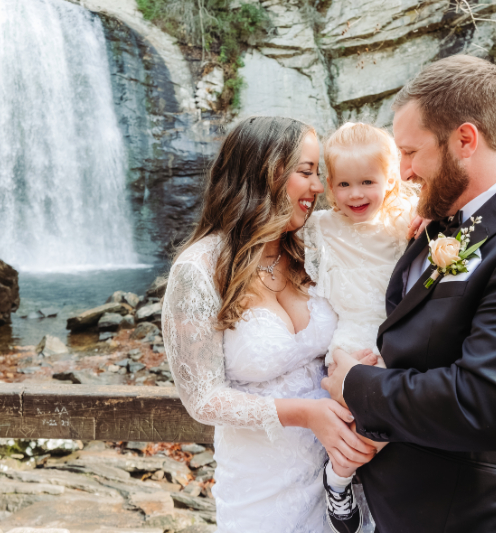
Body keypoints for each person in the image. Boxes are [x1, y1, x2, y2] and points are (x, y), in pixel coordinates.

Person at [322, 54, 496, 533]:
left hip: (472, 518)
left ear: (465, 140)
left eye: (412, 153)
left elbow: (485, 405)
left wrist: (355, 385)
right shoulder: (447, 222)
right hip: (401, 510)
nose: (406, 173)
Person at [161, 116, 376, 532]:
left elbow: (378, 240)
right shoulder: (199, 270)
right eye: (306, 172)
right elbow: (202, 398)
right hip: (261, 490)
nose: (319, 188)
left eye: (319, 174)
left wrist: (420, 226)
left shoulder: (314, 246)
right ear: (264, 174)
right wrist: (306, 414)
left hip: (345, 476)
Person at [301, 122, 423, 533]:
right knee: (349, 415)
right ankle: (342, 478)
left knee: (393, 419)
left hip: (397, 340)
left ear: (390, 180)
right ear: (330, 186)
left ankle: (339, 477)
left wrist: (427, 216)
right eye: (344, 184)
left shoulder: (404, 222)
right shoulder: (320, 227)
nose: (356, 194)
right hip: (350, 339)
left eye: (368, 182)